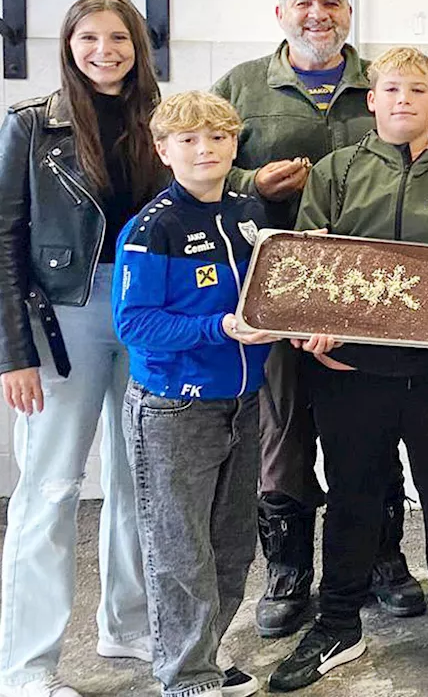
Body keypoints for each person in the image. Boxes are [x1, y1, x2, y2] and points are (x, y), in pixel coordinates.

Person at [267, 47, 428, 692]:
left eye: (417, 89)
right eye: (391, 89)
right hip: (350, 372)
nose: (403, 99)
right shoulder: (337, 171)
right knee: (353, 499)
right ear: (371, 100)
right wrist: (310, 318)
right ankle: (338, 626)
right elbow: (308, 260)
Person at [211, 0, 423, 638]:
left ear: (347, 12)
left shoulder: (384, 79)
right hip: (278, 288)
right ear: (280, 12)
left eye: (330, 2)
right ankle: (289, 572)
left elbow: (419, 155)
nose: (317, 13)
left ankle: (383, 561)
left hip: (368, 288)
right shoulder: (242, 87)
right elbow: (197, 166)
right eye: (303, 1)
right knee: (285, 432)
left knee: (373, 426)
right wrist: (251, 182)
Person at [0, 0, 166, 697]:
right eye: (90, 38)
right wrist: (14, 352)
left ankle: (124, 625)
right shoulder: (30, 126)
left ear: (138, 44)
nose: (106, 50)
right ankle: (26, 667)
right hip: (64, 317)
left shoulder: (161, 118)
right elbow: (4, 240)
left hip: (148, 310)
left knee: (139, 482)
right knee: (50, 490)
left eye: (119, 37)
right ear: (68, 44)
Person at [114, 90, 276, 697]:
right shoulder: (154, 228)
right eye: (188, 140)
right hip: (176, 410)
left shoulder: (248, 213)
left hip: (244, 401)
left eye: (217, 137)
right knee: (181, 552)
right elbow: (136, 323)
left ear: (235, 144)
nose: (204, 149)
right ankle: (184, 676)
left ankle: (204, 657)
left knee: (231, 547)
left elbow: (273, 292)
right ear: (163, 150)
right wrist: (220, 328)